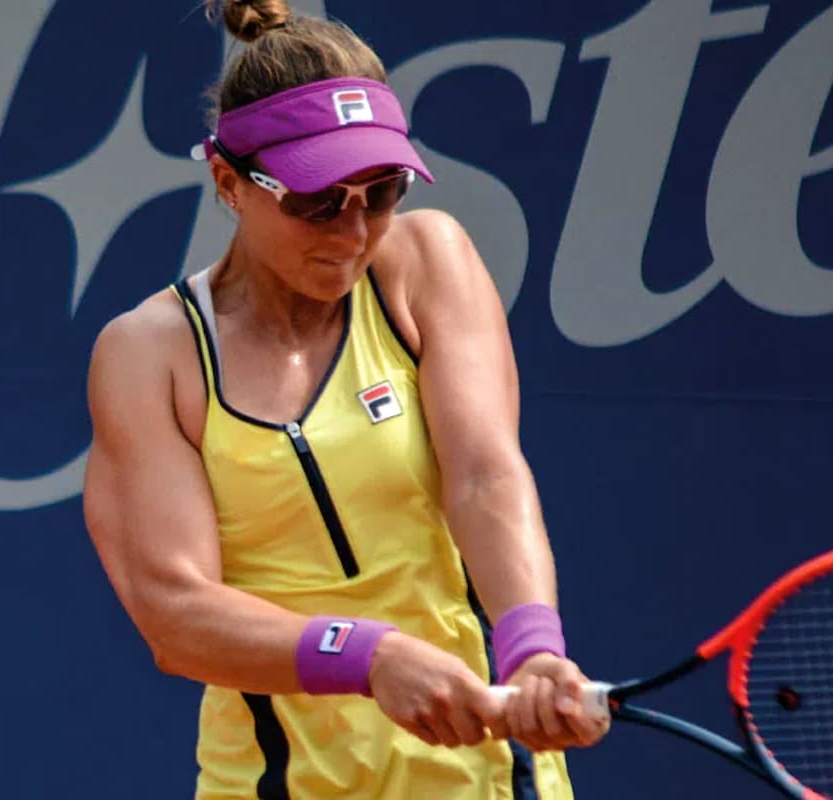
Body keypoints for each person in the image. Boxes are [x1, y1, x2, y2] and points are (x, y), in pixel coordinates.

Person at [81, 1, 608, 797]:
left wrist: (533, 648)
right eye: (317, 199)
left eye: (383, 190)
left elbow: (485, 476)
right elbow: (175, 611)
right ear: (229, 182)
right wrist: (370, 657)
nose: (354, 230)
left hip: (491, 781)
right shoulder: (147, 354)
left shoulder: (429, 261)